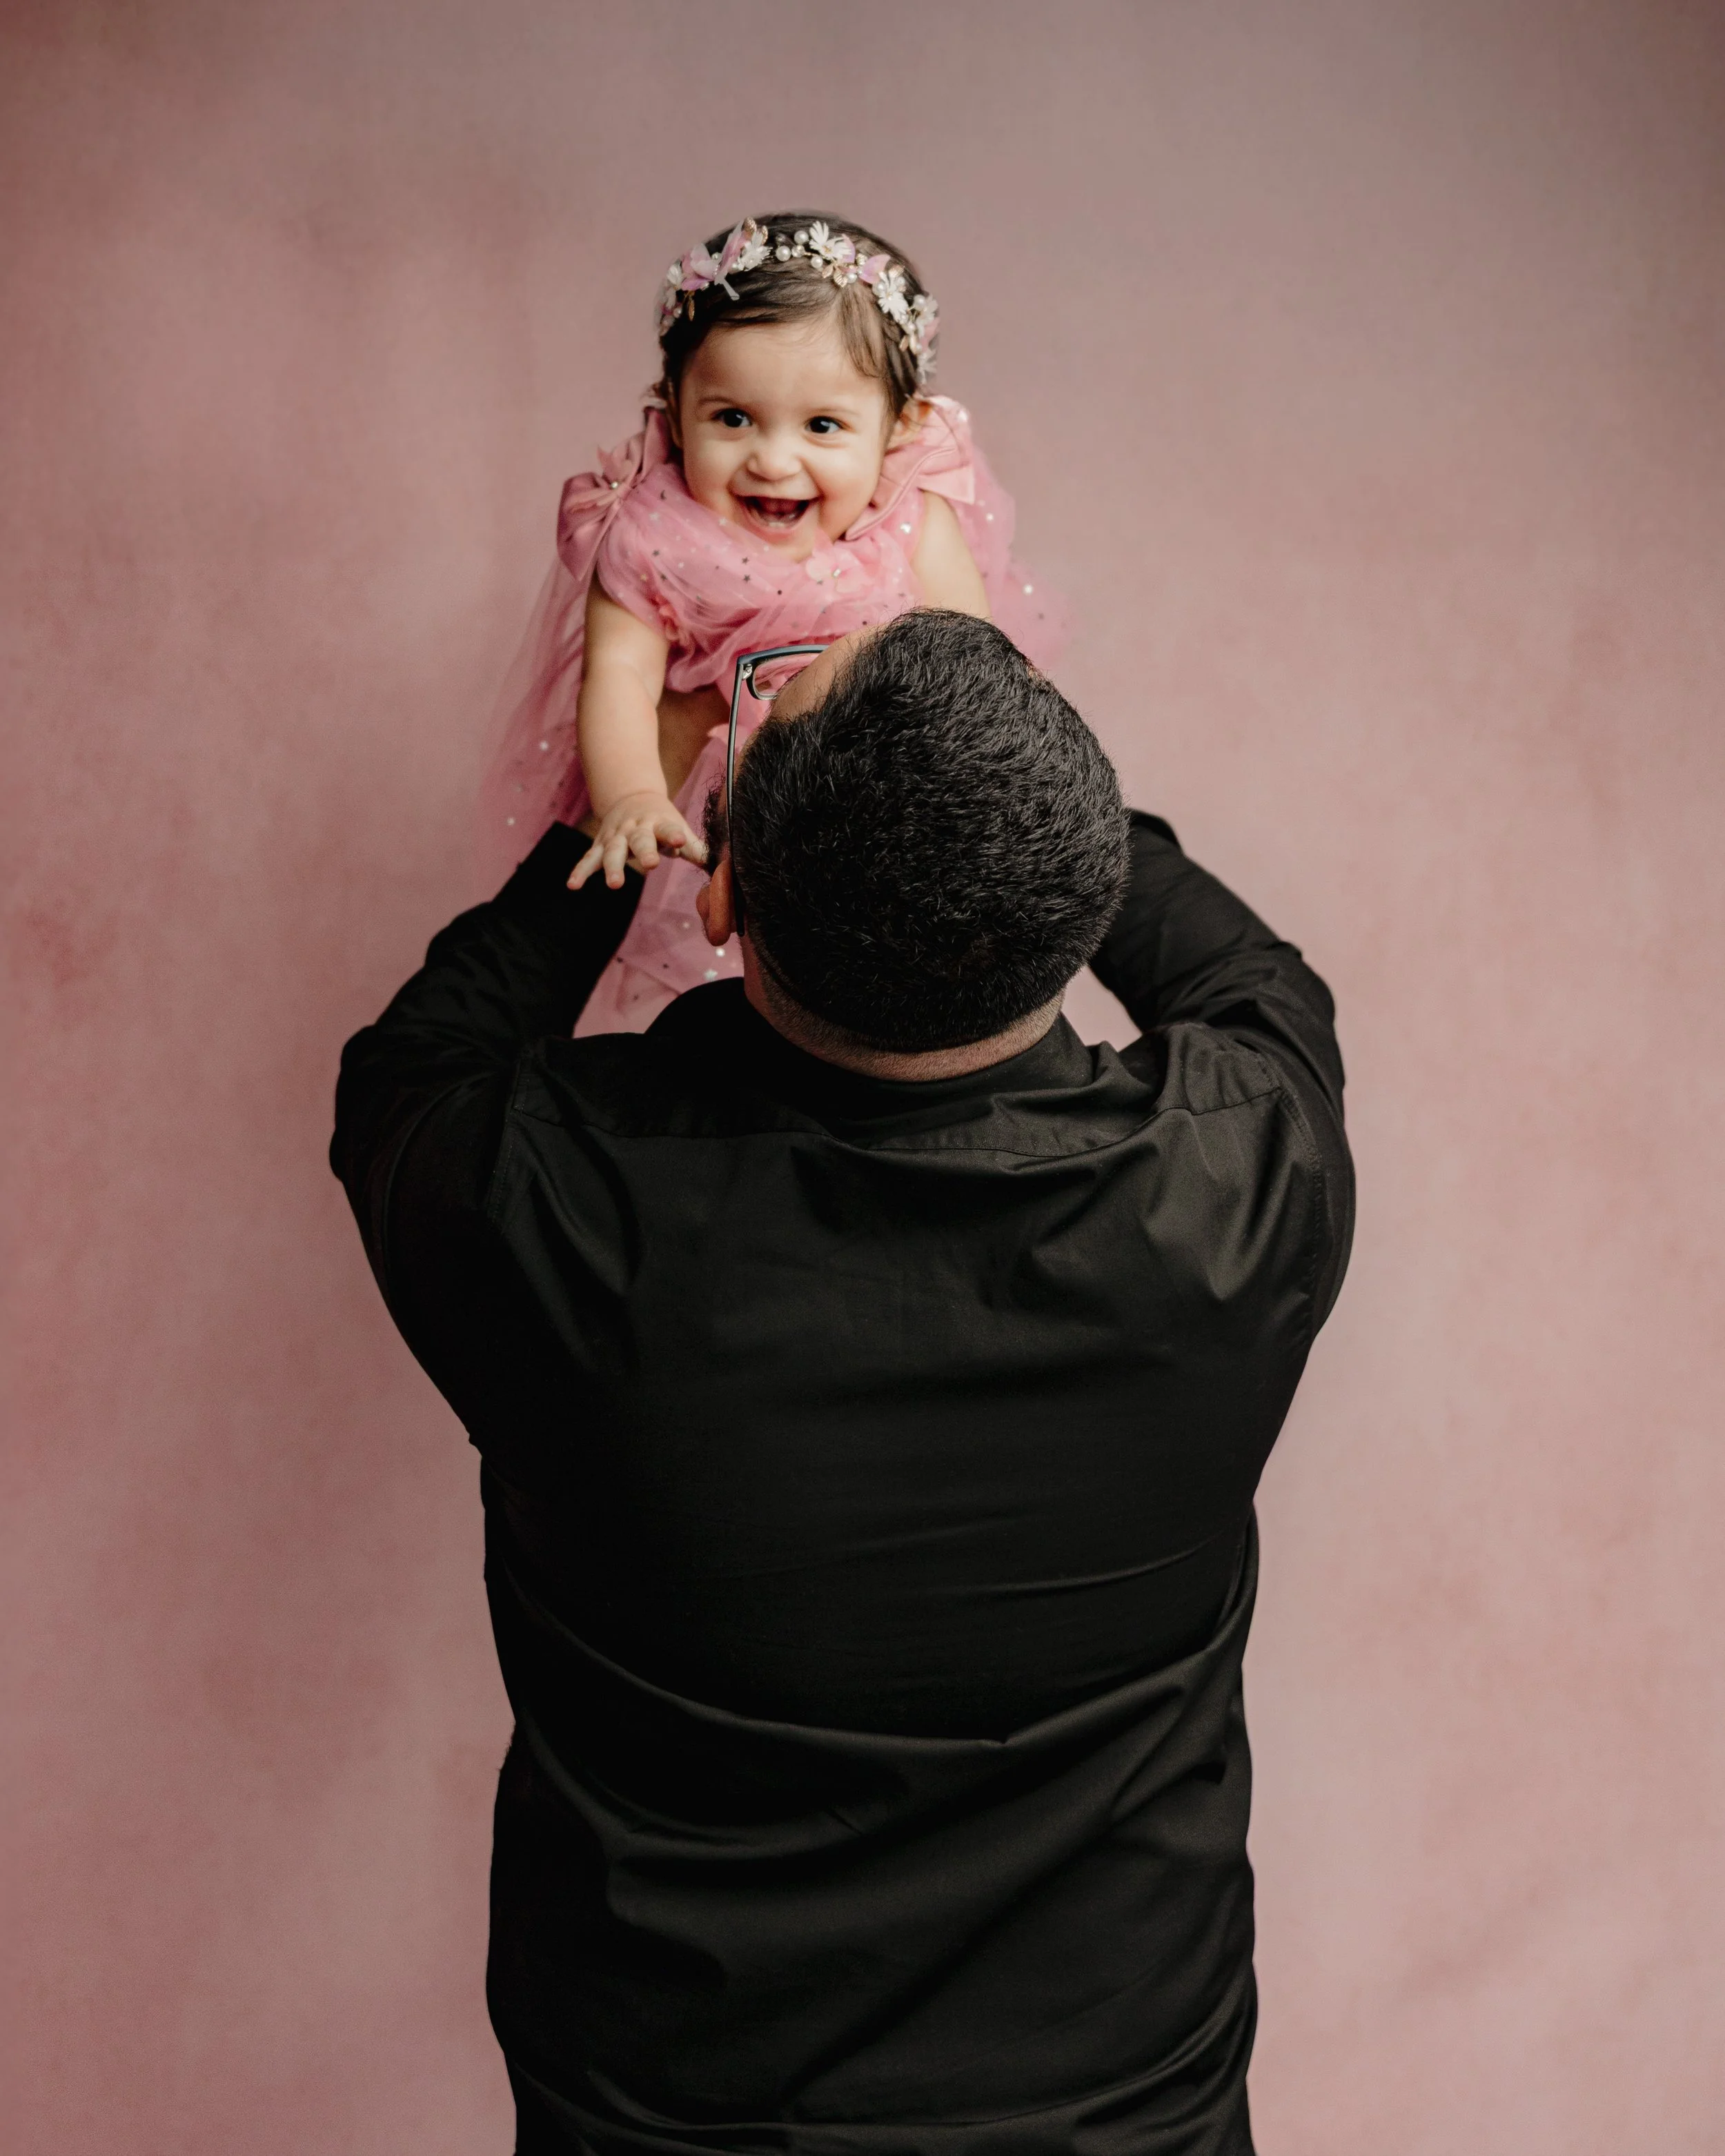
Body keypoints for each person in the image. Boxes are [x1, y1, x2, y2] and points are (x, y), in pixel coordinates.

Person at [333, 611, 1353, 2155]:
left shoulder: (539, 1206)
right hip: (1126, 2118)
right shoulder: (1238, 1184)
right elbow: (1251, 979)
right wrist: (1006, 765)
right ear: (1072, 911)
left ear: (722, 885)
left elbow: (416, 1063)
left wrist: (634, 788)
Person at [480, 210, 1063, 1034]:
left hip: (867, 789)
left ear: (898, 428)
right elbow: (617, 678)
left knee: (877, 972)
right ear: (673, 413)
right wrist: (634, 794)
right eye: (732, 418)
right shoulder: (650, 533)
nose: (773, 459)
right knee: (727, 1008)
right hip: (702, 801)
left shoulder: (911, 517)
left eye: (822, 426)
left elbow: (966, 663)